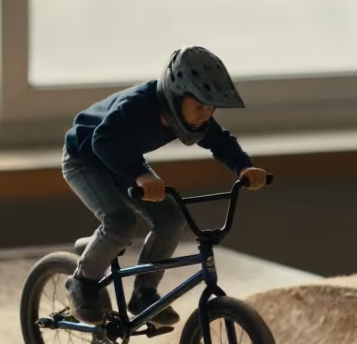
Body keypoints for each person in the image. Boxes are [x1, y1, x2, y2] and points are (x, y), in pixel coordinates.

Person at [60, 45, 269, 326]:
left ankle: (144, 293)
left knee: (171, 218)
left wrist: (244, 167)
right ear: (176, 96)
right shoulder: (137, 105)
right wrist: (140, 174)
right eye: (199, 106)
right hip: (85, 159)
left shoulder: (193, 117)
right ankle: (82, 282)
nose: (205, 114)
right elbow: (103, 141)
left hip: (124, 159)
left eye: (211, 108)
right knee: (120, 222)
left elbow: (220, 141)